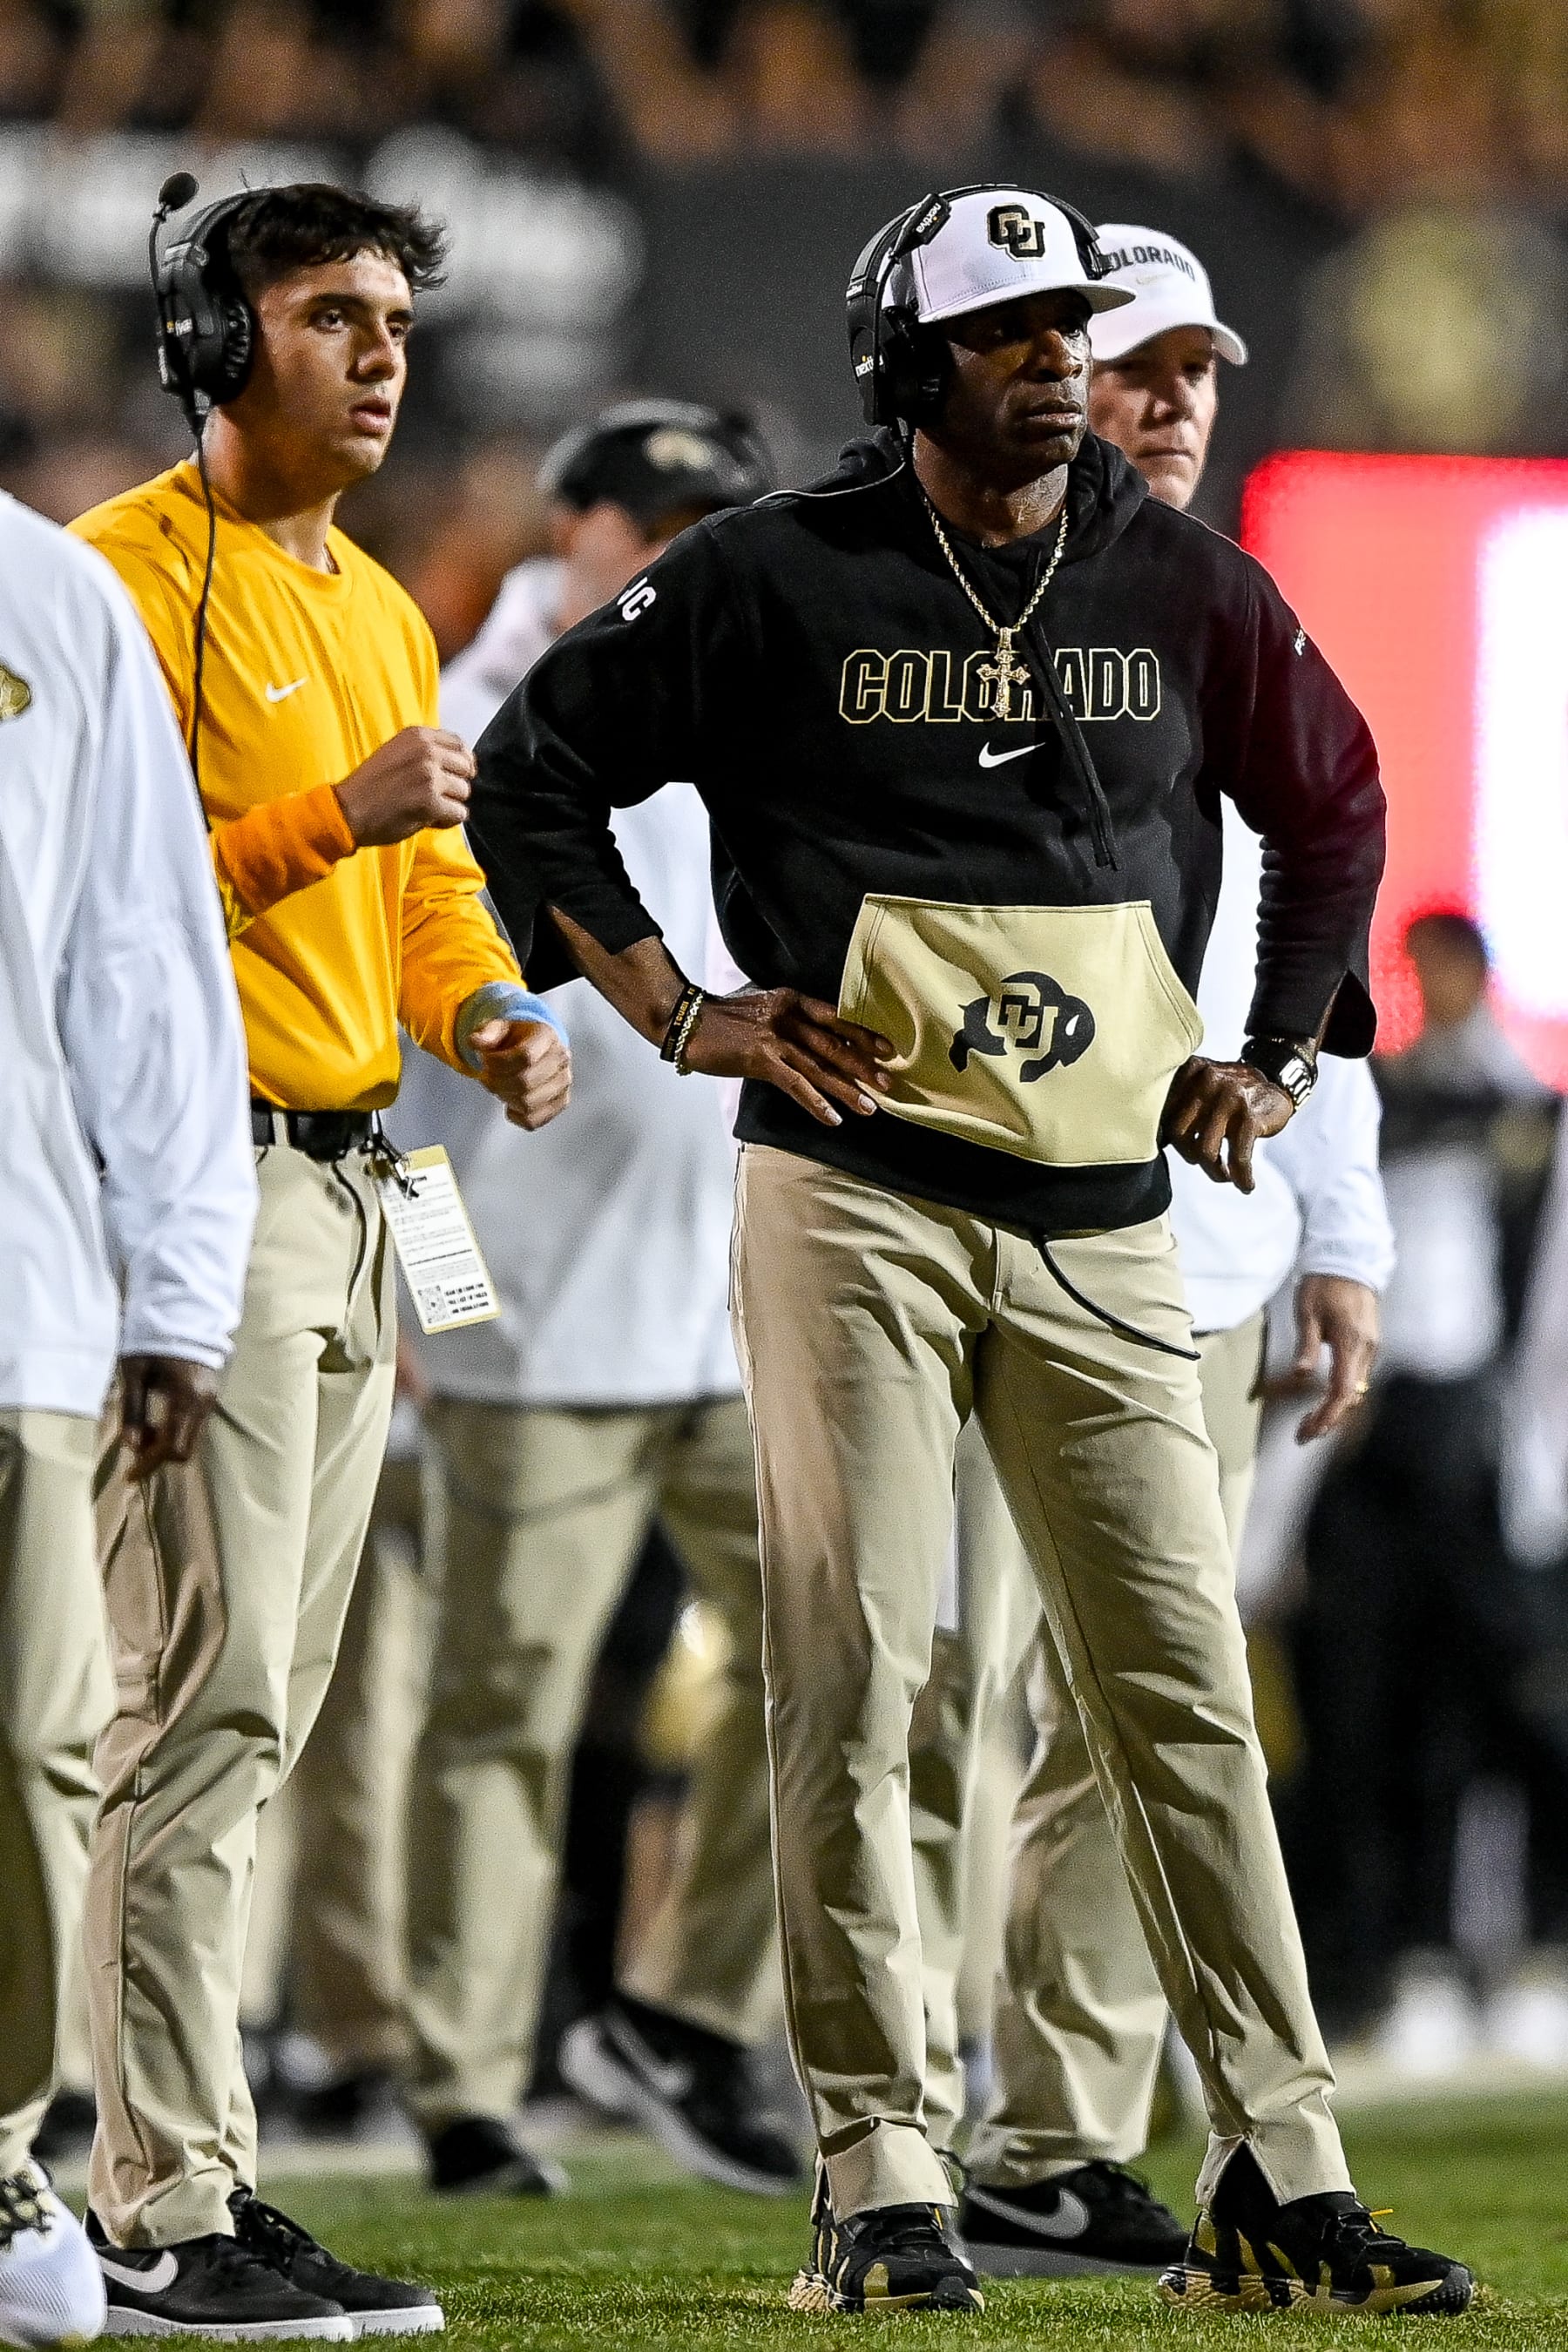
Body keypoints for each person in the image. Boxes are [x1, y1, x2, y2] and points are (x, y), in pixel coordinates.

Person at [465, 183, 1472, 2317]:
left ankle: (1280, 2180)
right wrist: (678, 1009)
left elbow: (1341, 801)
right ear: (904, 365)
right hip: (857, 1194)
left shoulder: (1183, 580)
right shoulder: (768, 574)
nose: (1055, 356)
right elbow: (537, 781)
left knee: (1184, 1698)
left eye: (1066, 323)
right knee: (860, 1676)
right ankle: (880, 2178)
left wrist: (1278, 1054)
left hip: (1114, 1211)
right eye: (1008, 326)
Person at [70, 180, 570, 2339]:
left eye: (395, 320)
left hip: (365, 1190)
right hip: (208, 1187)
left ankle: (194, 2167)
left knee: (258, 1713)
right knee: (208, 1703)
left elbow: (431, 883)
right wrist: (327, 828)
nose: (381, 355)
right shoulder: (104, 582)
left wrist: (482, 1014)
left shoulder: (374, 606)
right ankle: (158, 2197)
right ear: (206, 335)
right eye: (328, 314)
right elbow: (80, 906)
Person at [932, 223, 1396, 2281]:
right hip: (955, 1236)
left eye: (1195, 367)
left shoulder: (1231, 613)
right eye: (1127, 363)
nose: (1168, 400)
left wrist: (1339, 1236)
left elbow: (1326, 946)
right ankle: (903, 2114)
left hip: (1189, 1258)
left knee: (1131, 1714)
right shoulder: (930, 594)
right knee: (936, 1687)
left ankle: (1042, 2132)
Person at [395, 402, 801, 2199]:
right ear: (573, 526)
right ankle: (464, 2090)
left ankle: (686, 2016)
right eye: (659, 519)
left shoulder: (721, 703)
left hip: (724, 1321)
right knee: (505, 1713)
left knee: (849, 1664)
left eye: (713, 519)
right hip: (532, 1340)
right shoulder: (456, 736)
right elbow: (394, 1074)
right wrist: (436, 1306)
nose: (687, 547)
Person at [0, 488, 254, 2352]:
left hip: (18, 1284)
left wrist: (177, 1288)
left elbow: (142, 960)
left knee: (28, 1752)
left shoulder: (47, 594)